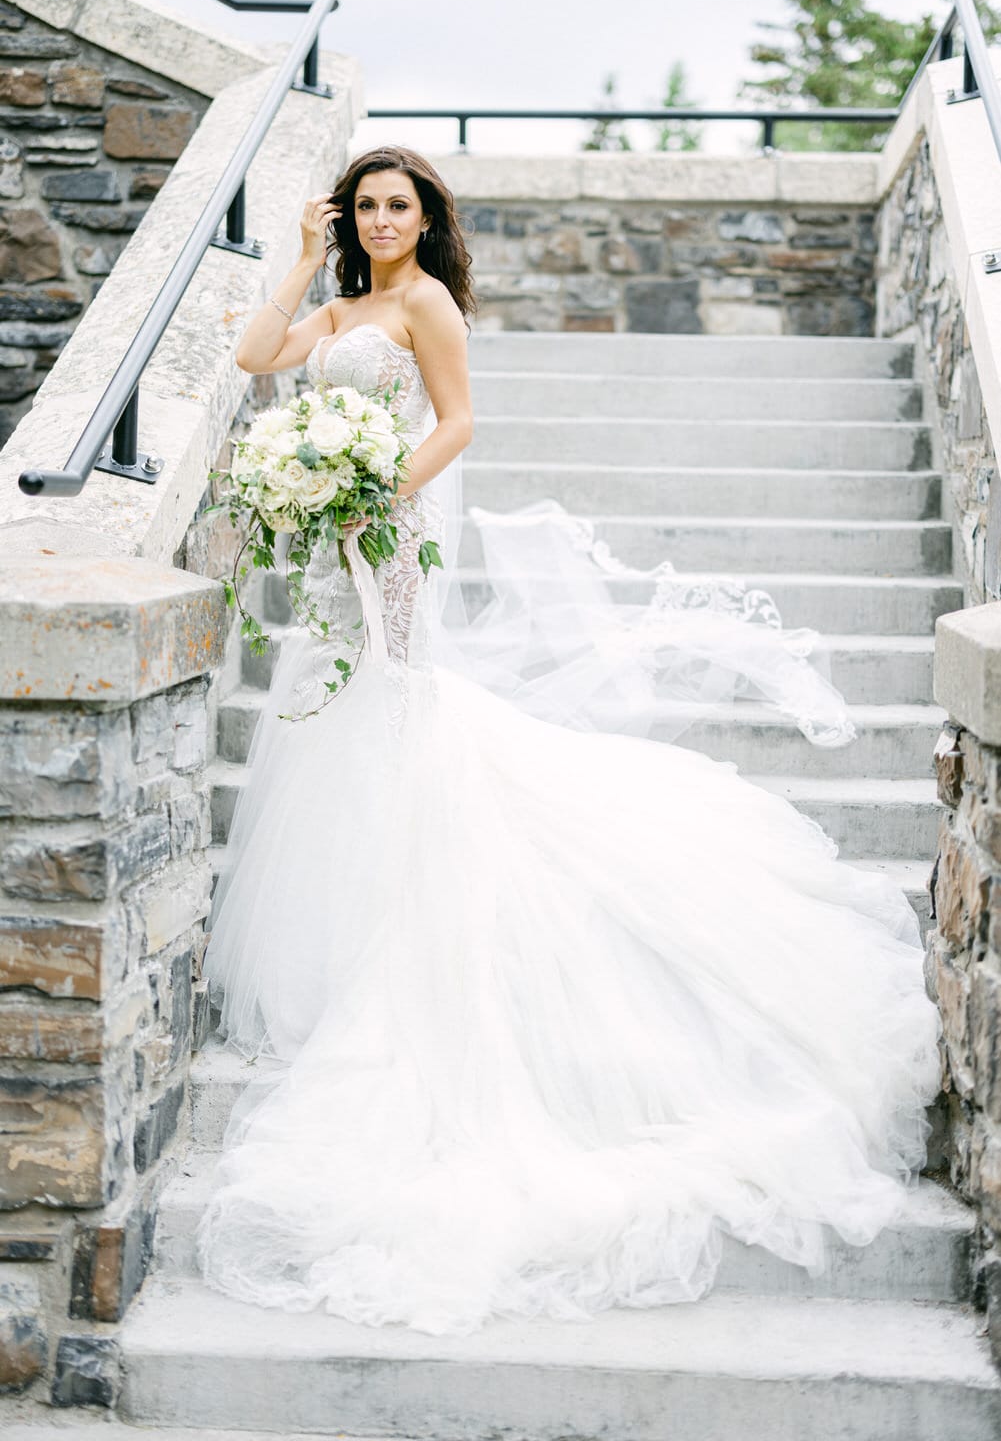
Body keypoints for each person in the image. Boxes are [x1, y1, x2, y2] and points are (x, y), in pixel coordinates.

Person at [196, 144, 943, 1337]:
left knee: (397, 701)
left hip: (390, 535)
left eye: (401, 206)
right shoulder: (337, 300)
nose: (385, 221)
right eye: (367, 206)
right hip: (332, 547)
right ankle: (343, 931)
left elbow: (458, 422)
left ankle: (411, 919)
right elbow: (251, 357)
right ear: (347, 217)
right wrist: (294, 260)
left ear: (425, 218)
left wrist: (375, 491)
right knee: (328, 710)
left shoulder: (427, 302)